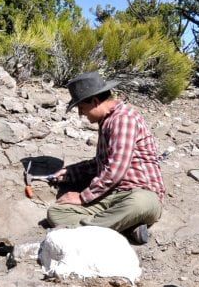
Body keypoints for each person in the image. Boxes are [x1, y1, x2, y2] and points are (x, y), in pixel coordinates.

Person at [46, 72, 164, 245]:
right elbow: (102, 163)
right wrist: (71, 172)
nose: (81, 113)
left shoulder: (123, 119)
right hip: (111, 195)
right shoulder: (107, 120)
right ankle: (126, 227)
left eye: (81, 107)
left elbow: (115, 169)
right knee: (56, 212)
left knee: (139, 204)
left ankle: (79, 231)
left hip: (140, 194)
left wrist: (82, 197)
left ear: (94, 102)